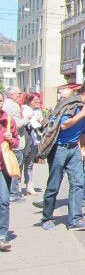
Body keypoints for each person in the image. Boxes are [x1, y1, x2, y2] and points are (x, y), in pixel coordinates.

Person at [40, 81, 85, 231]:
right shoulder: (72, 104)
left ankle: (75, 219)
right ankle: (47, 218)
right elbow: (64, 125)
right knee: (54, 185)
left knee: (78, 183)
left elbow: (83, 131)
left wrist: (83, 149)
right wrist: (82, 114)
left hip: (74, 148)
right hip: (59, 148)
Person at [0, 91, 20, 250]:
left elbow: (16, 142)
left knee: (4, 201)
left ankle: (2, 237)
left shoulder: (8, 121)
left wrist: (10, 139)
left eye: (0, 101)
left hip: (3, 167)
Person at [3, 87, 28, 203]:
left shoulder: (6, 105)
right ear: (12, 95)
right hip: (14, 144)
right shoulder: (13, 106)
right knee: (14, 168)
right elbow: (17, 125)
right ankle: (13, 194)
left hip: (7, 144)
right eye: (19, 94)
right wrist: (27, 118)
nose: (21, 95)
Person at [21, 93, 43, 196]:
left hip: (35, 140)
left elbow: (41, 125)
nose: (37, 103)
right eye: (35, 101)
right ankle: (16, 188)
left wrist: (40, 121)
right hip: (25, 140)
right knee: (20, 165)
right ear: (28, 101)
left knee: (30, 164)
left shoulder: (38, 111)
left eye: (38, 100)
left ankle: (29, 186)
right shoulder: (23, 109)